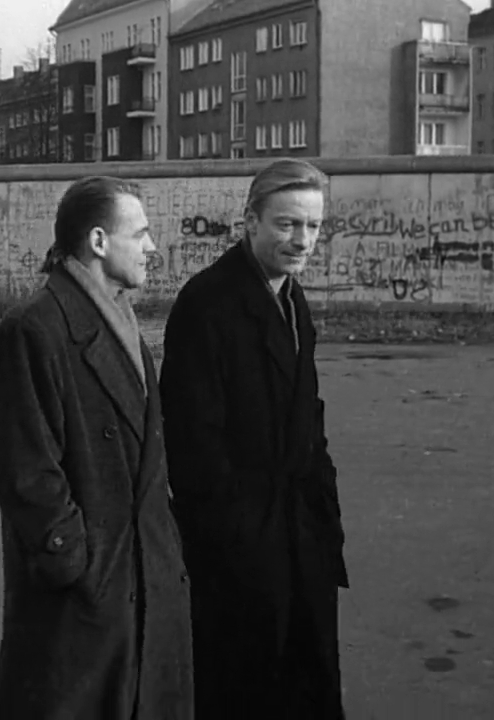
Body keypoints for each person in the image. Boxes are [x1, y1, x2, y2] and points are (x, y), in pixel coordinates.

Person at [0, 176, 194, 720]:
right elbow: (26, 472)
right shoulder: (33, 329)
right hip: (89, 593)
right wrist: (73, 562)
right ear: (99, 242)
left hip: (137, 576)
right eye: (141, 234)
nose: (152, 248)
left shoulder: (120, 319)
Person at [159, 158, 349, 719]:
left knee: (307, 686)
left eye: (313, 226)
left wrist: (323, 512)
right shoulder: (208, 304)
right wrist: (236, 535)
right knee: (243, 690)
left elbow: (309, 419)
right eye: (287, 224)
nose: (302, 240)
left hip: (299, 536)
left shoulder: (293, 300)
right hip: (242, 550)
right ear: (250, 221)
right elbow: (192, 442)